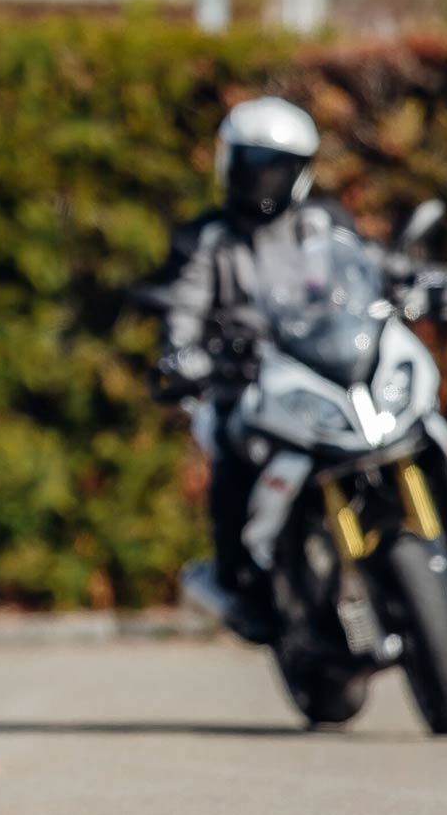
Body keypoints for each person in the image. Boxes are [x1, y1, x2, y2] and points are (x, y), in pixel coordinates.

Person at [149, 96, 357, 641]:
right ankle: (235, 575)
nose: (260, 182)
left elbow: (370, 271)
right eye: (250, 167)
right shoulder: (208, 239)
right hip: (243, 385)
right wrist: (183, 356)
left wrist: (417, 282)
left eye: (274, 170)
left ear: (300, 173)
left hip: (324, 374)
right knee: (232, 443)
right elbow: (181, 309)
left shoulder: (322, 225)